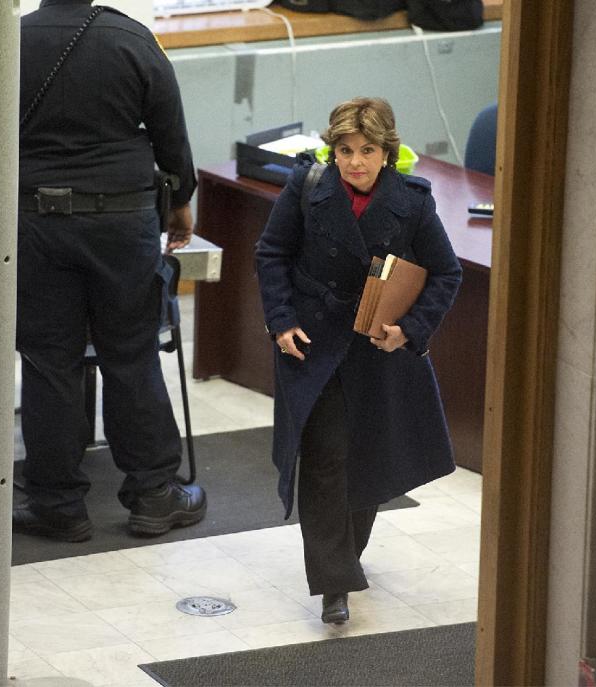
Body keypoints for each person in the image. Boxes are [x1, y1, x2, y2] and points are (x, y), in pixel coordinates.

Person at [255, 97, 462, 623]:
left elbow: (446, 273)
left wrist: (410, 330)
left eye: (367, 150)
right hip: (315, 345)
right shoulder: (307, 188)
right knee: (325, 459)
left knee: (365, 460)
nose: (355, 162)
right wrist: (280, 319)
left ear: (387, 153)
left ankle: (346, 558)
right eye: (345, 150)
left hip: (376, 351)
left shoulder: (413, 203)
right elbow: (271, 254)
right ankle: (335, 583)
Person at [13, 0, 206, 542]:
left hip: (34, 222)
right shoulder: (131, 38)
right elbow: (172, 135)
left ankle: (56, 503)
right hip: (122, 223)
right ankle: (153, 497)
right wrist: (181, 200)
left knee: (50, 360)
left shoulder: (11, 40)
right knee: (131, 352)